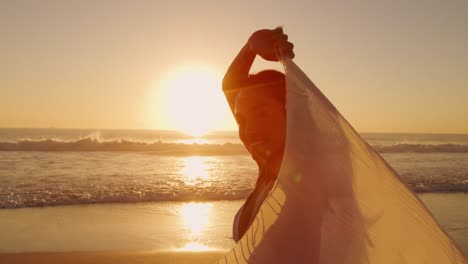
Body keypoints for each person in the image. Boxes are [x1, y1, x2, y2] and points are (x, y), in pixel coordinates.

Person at [222, 28, 295, 241]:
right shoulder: (268, 172)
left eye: (261, 113)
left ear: (291, 114)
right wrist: (251, 46)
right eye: (242, 120)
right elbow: (231, 85)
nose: (249, 130)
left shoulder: (307, 187)